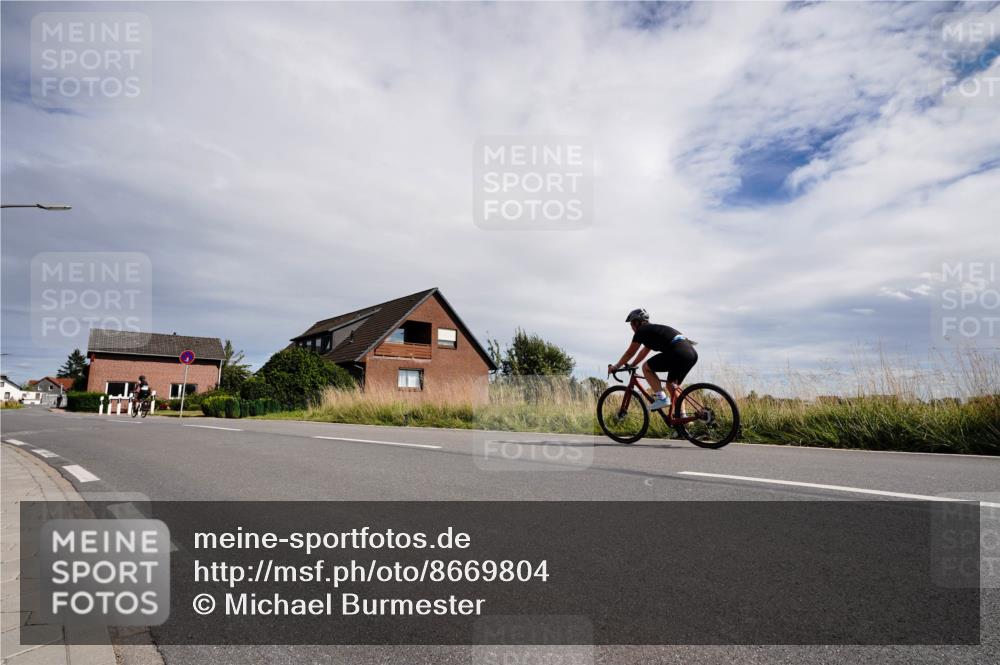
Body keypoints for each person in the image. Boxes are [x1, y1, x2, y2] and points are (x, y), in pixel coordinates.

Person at [608, 308, 698, 411]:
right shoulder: (652, 331)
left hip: (677, 353)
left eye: (631, 324)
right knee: (672, 386)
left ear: (637, 322)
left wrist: (616, 366)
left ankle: (662, 398)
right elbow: (643, 352)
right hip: (691, 354)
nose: (631, 328)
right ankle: (683, 419)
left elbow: (630, 352)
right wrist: (632, 364)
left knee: (646, 367)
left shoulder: (641, 331)